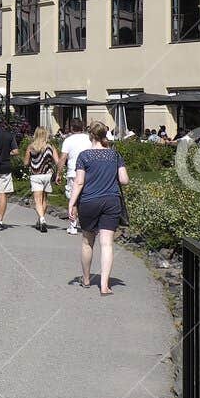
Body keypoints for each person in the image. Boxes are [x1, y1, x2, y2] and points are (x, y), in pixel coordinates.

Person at [65, 120, 129, 294]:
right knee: (107, 244)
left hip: (89, 201)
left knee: (87, 241)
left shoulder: (84, 156)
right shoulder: (115, 155)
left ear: (90, 135)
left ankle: (86, 279)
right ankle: (104, 284)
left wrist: (71, 203)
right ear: (104, 135)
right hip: (111, 200)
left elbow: (79, 182)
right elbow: (124, 180)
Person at [58, 115, 92, 236]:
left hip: (73, 172)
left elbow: (63, 158)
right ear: (82, 127)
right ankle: (90, 225)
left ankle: (73, 226)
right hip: (89, 172)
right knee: (87, 198)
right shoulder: (89, 139)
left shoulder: (68, 140)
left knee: (73, 199)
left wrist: (59, 173)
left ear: (71, 128)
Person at [23, 127, 57, 233]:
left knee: (37, 200)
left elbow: (25, 163)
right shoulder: (50, 147)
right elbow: (57, 161)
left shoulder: (31, 147)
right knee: (44, 200)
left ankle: (42, 219)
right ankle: (40, 219)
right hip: (47, 174)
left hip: (35, 175)